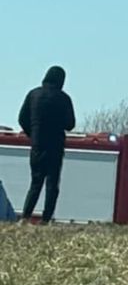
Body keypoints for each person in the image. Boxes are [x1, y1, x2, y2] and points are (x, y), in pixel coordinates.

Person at [18, 66, 76, 224]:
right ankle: (45, 219)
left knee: (35, 183)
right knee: (52, 184)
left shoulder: (33, 94)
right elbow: (70, 124)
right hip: (55, 145)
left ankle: (25, 217)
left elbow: (22, 119)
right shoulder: (64, 98)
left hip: (38, 145)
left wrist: (33, 133)